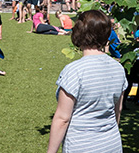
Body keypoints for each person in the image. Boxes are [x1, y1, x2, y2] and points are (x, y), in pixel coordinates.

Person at [46, 9, 127, 153]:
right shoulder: (118, 68)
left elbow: (62, 118)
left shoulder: (74, 71)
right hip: (112, 144)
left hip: (81, 145)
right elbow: (118, 110)